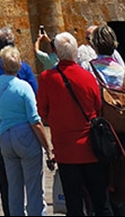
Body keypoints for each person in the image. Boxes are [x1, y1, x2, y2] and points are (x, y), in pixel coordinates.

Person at [37, 30, 113, 216]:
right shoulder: (88, 77)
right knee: (99, 201)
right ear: (75, 52)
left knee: (74, 203)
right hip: (90, 148)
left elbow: (42, 111)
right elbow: (97, 107)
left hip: (65, 151)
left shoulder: (47, 78)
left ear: (55, 53)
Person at [0, 25, 39, 212]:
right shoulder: (25, 69)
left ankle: (10, 211)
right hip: (26, 127)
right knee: (31, 176)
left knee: (5, 175)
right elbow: (34, 95)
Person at [0, 44, 52, 215]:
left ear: (2, 65)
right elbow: (35, 120)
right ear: (19, 65)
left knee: (14, 186)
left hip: (5, 136)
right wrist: (47, 147)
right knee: (33, 186)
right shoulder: (24, 87)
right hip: (25, 136)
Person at [89, 24, 125, 215]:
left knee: (103, 185)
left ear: (95, 46)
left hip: (102, 135)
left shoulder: (90, 69)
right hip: (124, 136)